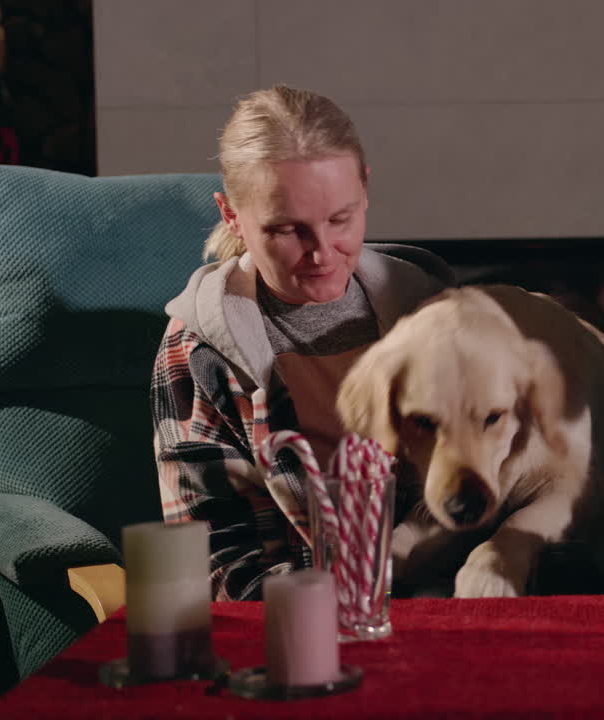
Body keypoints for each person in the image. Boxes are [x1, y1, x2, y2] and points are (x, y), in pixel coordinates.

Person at [152, 85, 449, 600]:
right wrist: (352, 595)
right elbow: (218, 562)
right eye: (289, 230)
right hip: (306, 616)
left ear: (365, 188)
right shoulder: (199, 348)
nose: (322, 253)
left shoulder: (432, 311)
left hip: (461, 593)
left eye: (340, 220)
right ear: (231, 215)